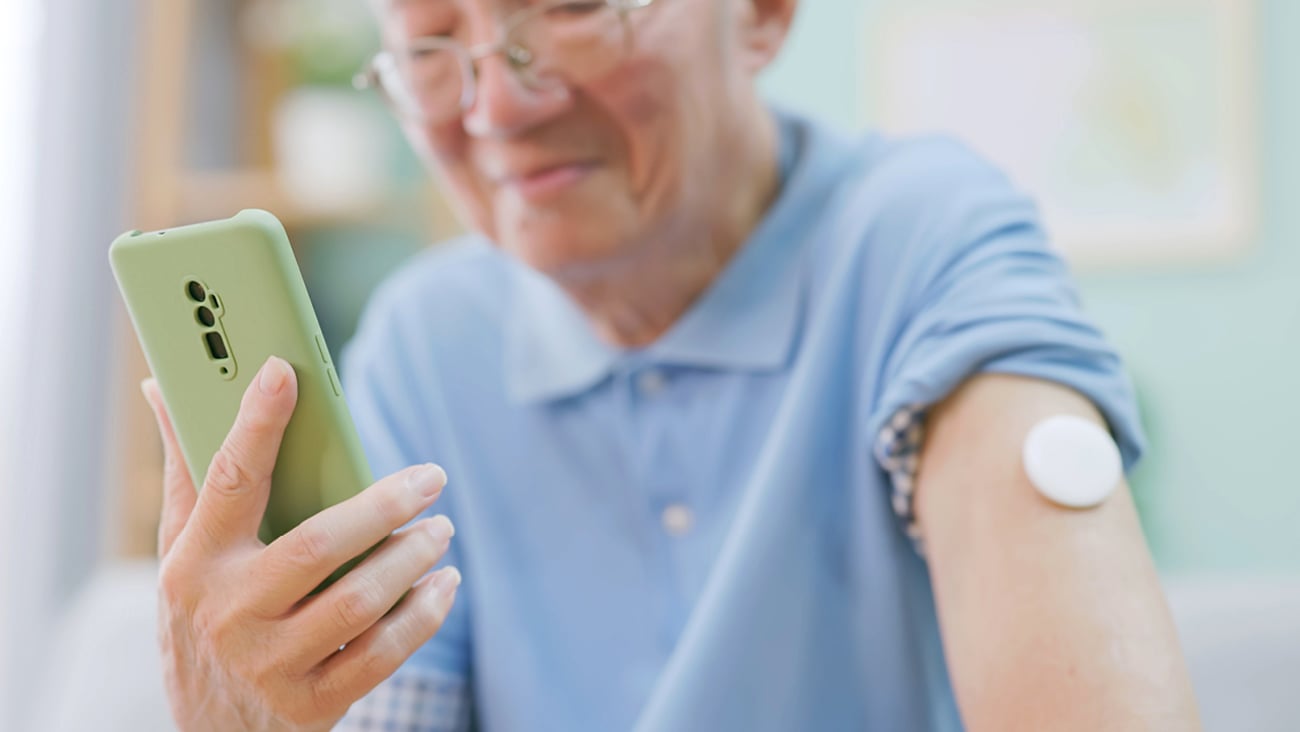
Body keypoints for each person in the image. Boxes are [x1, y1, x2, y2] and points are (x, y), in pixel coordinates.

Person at [141, 0, 1202, 729]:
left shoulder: (919, 240)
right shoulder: (427, 344)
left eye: (572, 7)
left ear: (764, 12)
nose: (497, 109)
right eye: (428, 42)